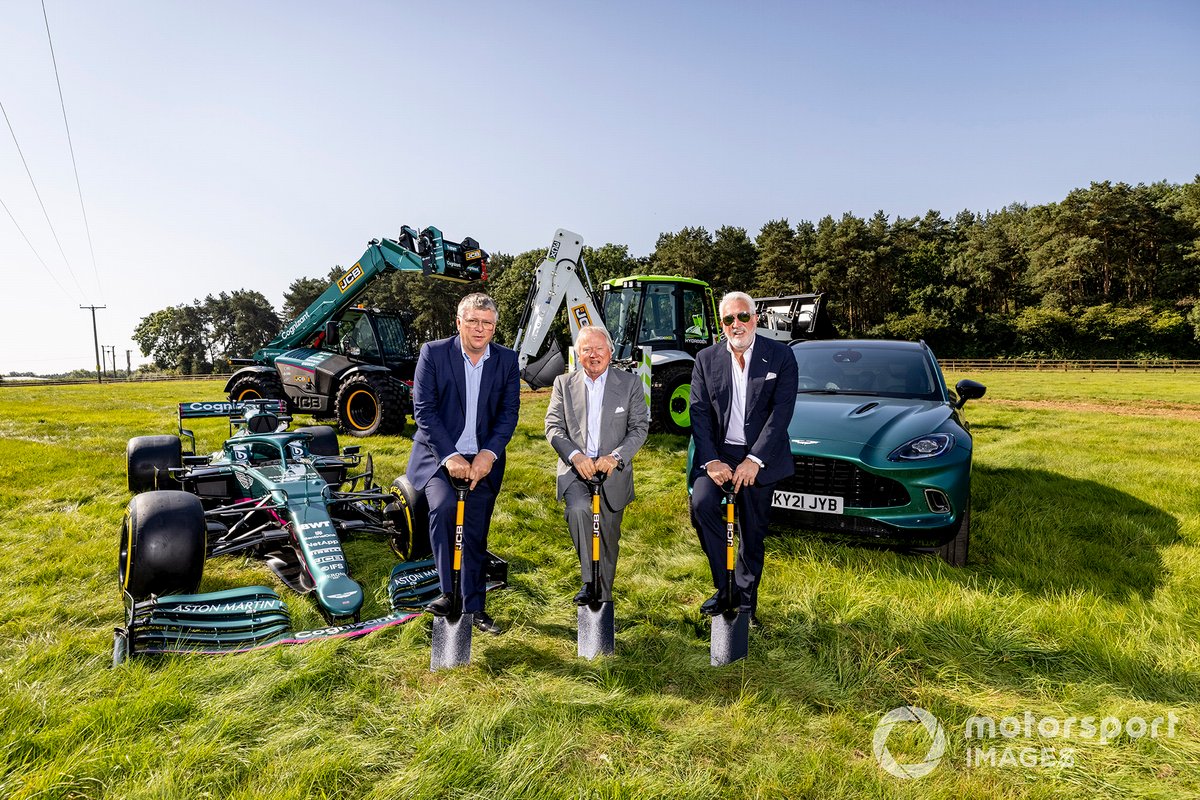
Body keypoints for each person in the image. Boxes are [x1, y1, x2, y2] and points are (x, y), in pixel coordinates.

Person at [406, 293, 520, 635]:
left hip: (484, 460)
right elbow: (424, 410)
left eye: (487, 323)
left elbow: (508, 414)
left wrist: (488, 454)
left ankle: (474, 607)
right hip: (439, 457)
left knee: (474, 530)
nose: (480, 329)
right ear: (458, 323)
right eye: (472, 322)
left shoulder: (506, 360)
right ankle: (447, 595)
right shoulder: (434, 354)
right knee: (442, 512)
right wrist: (451, 456)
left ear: (495, 327)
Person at [688, 291, 798, 627]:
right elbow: (700, 413)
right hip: (720, 455)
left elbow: (781, 414)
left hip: (760, 457)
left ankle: (746, 606)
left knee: (752, 533)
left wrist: (755, 460)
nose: (737, 324)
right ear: (722, 324)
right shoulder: (705, 359)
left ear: (755, 318)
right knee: (702, 506)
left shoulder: (780, 357)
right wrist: (710, 461)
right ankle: (727, 589)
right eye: (728, 319)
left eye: (743, 316)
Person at [545, 326, 649, 605]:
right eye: (586, 350)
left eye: (599, 349)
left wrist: (614, 457)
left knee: (607, 538)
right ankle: (590, 583)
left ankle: (603, 599)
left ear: (610, 352)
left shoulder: (629, 384)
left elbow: (639, 428)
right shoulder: (563, 384)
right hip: (576, 470)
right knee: (579, 511)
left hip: (612, 471)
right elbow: (553, 427)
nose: (593, 355)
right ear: (578, 355)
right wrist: (576, 457)